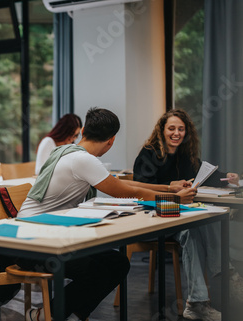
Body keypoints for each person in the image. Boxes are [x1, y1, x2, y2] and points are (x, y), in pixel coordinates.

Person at [18, 107, 196, 321]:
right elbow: (127, 192)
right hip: (35, 245)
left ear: (83, 130)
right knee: (102, 268)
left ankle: (70, 315)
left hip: (38, 236)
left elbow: (121, 183)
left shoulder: (69, 152)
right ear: (111, 141)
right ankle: (45, 315)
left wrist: (169, 188)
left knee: (116, 262)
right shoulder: (83, 160)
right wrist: (176, 200)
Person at [133, 109, 242, 321]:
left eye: (181, 129)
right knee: (192, 232)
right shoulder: (149, 153)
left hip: (181, 214)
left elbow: (204, 175)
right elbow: (140, 189)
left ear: (186, 131)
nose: (176, 133)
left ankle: (222, 282)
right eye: (171, 128)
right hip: (155, 216)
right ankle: (198, 302)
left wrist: (227, 177)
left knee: (210, 221)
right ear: (162, 130)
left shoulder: (185, 153)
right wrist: (169, 187)